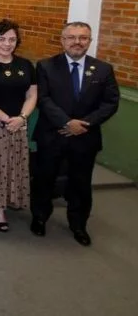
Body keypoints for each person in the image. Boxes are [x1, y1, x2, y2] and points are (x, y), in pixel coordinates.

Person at [30, 22, 119, 246]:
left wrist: (84, 124)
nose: (77, 42)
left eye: (83, 38)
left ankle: (78, 224)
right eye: (71, 37)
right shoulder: (46, 66)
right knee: (44, 180)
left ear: (90, 41)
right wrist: (66, 122)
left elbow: (110, 102)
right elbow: (43, 99)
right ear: (62, 40)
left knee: (80, 183)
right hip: (52, 134)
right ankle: (39, 217)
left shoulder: (103, 69)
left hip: (85, 138)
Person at [0, 20, 37, 232]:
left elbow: (32, 95)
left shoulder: (25, 65)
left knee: (11, 165)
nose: (7, 44)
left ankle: (1, 207)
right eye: (2, 39)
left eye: (12, 39)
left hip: (18, 123)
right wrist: (5, 118)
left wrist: (21, 117)